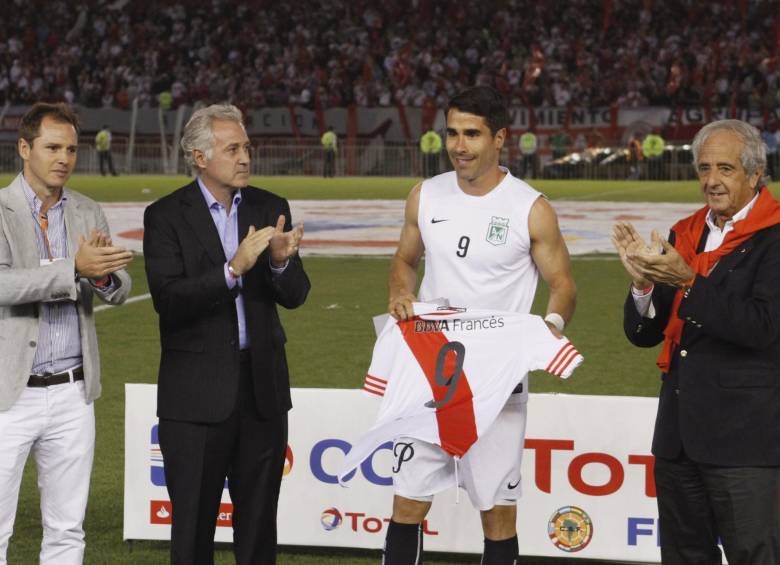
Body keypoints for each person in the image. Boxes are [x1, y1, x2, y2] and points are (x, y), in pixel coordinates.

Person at [385, 86, 576, 565]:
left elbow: (563, 286)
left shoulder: (529, 207)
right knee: (407, 501)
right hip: (430, 374)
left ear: (500, 138)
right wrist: (401, 293)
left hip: (494, 382)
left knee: (496, 513)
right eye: (451, 133)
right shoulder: (424, 195)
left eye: (471, 134)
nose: (459, 145)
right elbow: (406, 260)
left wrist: (547, 329)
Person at [143, 104, 309, 565]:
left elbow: (296, 295)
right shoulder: (164, 216)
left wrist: (279, 262)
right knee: (193, 531)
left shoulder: (269, 206)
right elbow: (170, 300)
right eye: (232, 148)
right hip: (194, 400)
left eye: (247, 147)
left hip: (262, 393)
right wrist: (233, 270)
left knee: (258, 530)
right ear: (199, 156)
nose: (244, 157)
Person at [613, 119, 780, 565]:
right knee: (685, 556)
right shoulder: (685, 232)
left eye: (725, 168)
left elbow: (762, 327)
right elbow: (644, 335)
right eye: (704, 168)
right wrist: (643, 287)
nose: (711, 180)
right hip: (678, 438)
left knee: (755, 555)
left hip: (744, 442)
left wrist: (688, 281)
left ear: (754, 173)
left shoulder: (775, 237)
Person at [0, 103, 132, 564]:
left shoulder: (88, 210)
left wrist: (99, 276)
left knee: (67, 529)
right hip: (8, 394)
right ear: (24, 148)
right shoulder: (0, 210)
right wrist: (72, 269)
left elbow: (118, 287)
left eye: (72, 149)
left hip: (74, 393)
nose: (65, 158)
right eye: (53, 147)